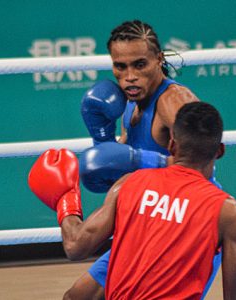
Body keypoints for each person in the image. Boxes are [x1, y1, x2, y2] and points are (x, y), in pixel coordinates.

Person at [28, 102, 236, 299]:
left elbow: (75, 247)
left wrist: (66, 201)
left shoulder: (129, 183)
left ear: (172, 144)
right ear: (220, 151)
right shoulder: (227, 212)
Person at [70, 20, 221, 299]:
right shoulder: (130, 101)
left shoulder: (174, 101)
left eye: (139, 65)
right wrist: (104, 142)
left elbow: (203, 162)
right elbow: (126, 161)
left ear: (158, 60)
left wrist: (141, 159)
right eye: (120, 66)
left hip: (188, 226)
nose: (129, 76)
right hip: (150, 222)